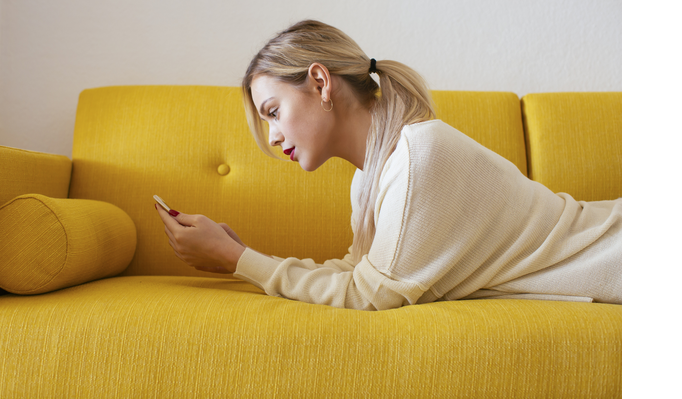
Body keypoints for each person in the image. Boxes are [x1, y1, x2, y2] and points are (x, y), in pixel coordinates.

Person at [155, 19, 622, 310]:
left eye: (273, 112)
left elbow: (370, 295)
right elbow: (362, 271)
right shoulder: (371, 174)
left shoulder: (419, 154)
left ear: (320, 83)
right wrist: (244, 259)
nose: (273, 137)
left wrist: (240, 260)